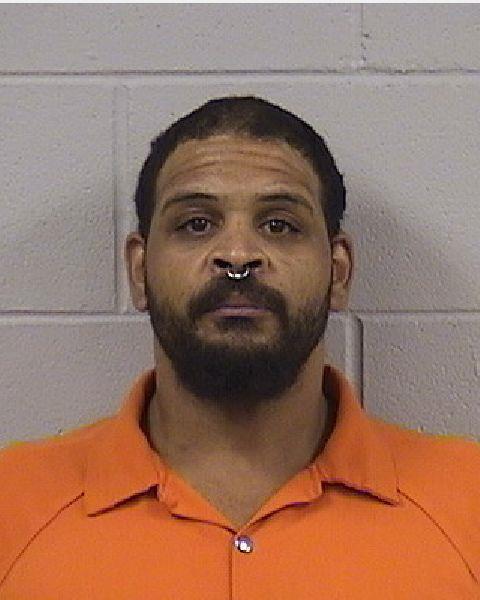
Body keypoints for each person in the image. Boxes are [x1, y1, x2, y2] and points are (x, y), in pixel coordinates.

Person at [0, 96, 478, 598]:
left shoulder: (469, 505)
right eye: (196, 224)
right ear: (139, 271)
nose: (237, 254)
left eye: (279, 225)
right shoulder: (13, 504)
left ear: (339, 272)